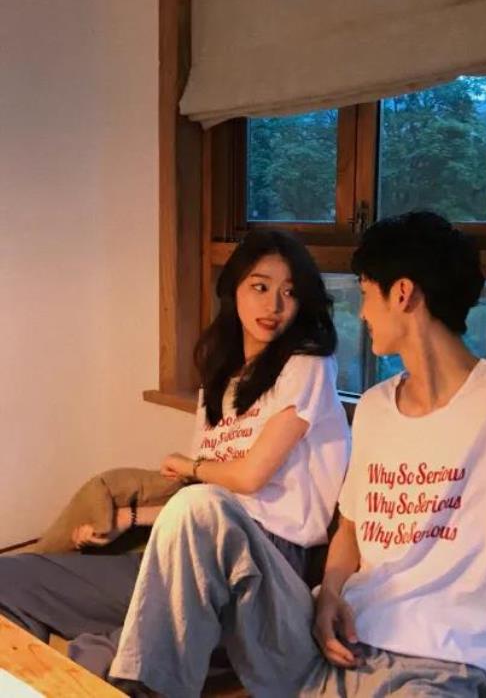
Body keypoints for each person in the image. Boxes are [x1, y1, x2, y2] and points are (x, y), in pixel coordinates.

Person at [112, 211, 486, 697]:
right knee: (198, 510)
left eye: (366, 295)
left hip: (428, 675)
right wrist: (330, 594)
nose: (361, 314)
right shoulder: (374, 406)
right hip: (322, 651)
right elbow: (350, 528)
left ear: (403, 293)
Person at [0, 229, 350, 685]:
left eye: (290, 292)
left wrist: (188, 465)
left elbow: (247, 479)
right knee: (11, 580)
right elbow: (203, 500)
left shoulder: (308, 366)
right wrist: (128, 518)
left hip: (264, 568)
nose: (274, 305)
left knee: (111, 660)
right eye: (260, 287)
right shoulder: (221, 384)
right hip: (184, 547)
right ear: (234, 289)